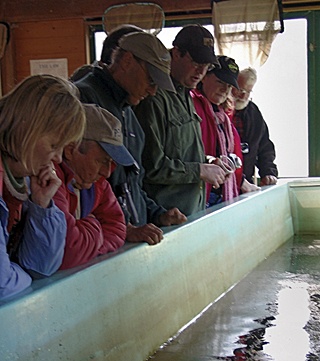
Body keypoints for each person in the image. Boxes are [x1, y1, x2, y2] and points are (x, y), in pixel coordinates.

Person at [74, 30, 187, 246]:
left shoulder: (131, 116)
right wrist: (123, 230)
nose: (153, 92)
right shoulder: (84, 99)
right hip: (97, 248)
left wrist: (158, 214)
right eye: (151, 80)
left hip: (127, 246)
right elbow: (77, 185)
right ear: (127, 61)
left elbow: (132, 185)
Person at [0, 74, 86, 300]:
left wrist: (42, 206)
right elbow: (2, 284)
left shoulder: (25, 179)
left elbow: (42, 267)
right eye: (54, 145)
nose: (58, 159)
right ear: (27, 127)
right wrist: (15, 270)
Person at [134, 24, 228, 216]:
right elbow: (151, 167)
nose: (201, 71)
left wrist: (209, 162)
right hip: (165, 217)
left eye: (207, 66)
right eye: (196, 63)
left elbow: (181, 152)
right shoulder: (154, 97)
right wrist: (199, 170)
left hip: (192, 212)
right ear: (176, 53)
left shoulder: (187, 94)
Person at [53, 104, 133, 269]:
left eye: (111, 162)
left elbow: (118, 229)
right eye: (102, 161)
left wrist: (87, 246)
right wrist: (95, 226)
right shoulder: (50, 179)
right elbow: (70, 250)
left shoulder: (97, 183)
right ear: (70, 150)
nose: (107, 172)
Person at [191, 56, 259, 207]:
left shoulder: (223, 117)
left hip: (221, 193)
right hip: (199, 195)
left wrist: (241, 180)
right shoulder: (192, 107)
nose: (224, 89)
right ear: (204, 77)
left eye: (229, 86)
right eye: (220, 82)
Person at [231, 67, 278, 186]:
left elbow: (264, 146)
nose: (242, 96)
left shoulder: (253, 112)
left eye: (248, 92)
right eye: (240, 89)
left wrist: (268, 172)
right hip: (221, 183)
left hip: (246, 181)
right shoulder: (218, 110)